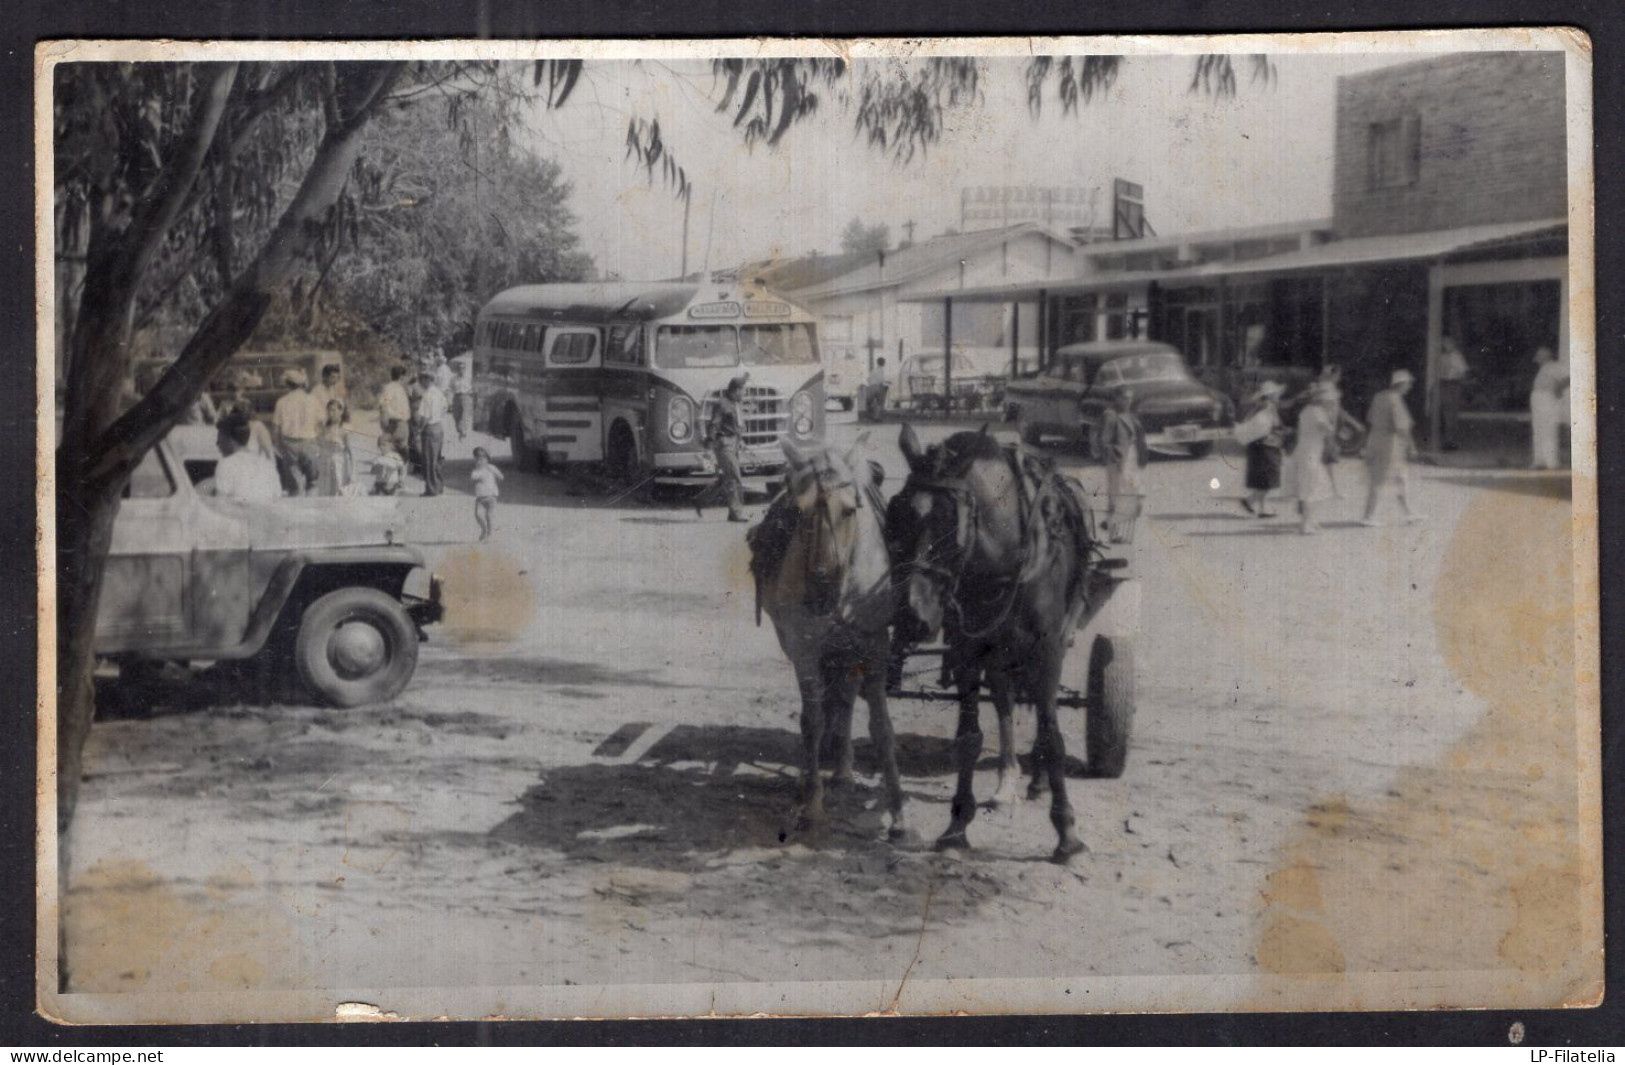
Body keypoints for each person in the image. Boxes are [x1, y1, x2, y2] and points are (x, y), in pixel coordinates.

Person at [1361, 369, 1423, 526]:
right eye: (1408, 383)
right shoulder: (1395, 399)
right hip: (1390, 444)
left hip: (1375, 439)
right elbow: (1402, 427)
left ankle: (1408, 513)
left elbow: (1371, 418)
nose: (1409, 386)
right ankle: (1368, 516)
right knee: (1380, 479)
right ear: (1401, 384)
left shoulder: (1379, 396)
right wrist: (1412, 446)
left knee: (1401, 478)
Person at [695, 373, 750, 522]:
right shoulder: (722, 404)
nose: (745, 393)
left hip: (734, 443)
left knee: (725, 479)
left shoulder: (736, 403)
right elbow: (714, 424)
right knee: (734, 478)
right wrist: (708, 445)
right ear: (736, 390)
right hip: (724, 444)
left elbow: (735, 425)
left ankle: (700, 500)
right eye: (743, 390)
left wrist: (741, 440)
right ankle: (736, 513)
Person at [1098, 386, 1148, 543]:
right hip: (1118, 461)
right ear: (1116, 398)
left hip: (1131, 457)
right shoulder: (1110, 416)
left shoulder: (1129, 415)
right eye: (1125, 398)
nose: (1128, 401)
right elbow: (1104, 441)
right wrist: (1115, 456)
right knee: (1117, 495)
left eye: (1130, 398)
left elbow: (1137, 436)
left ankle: (1110, 522)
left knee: (1137, 493)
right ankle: (1114, 532)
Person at [1289, 382, 1339, 535]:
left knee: (1311, 487)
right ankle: (1305, 525)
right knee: (1311, 488)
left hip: (1304, 451)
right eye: (1327, 400)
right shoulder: (1319, 412)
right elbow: (1330, 432)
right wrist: (1333, 415)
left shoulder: (1306, 411)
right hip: (1311, 454)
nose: (1329, 402)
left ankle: (1310, 520)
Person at [1236, 380, 1286, 517]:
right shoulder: (1268, 408)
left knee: (1264, 481)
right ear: (1270, 395)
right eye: (1276, 394)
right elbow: (1269, 427)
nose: (1278, 396)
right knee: (1267, 481)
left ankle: (1262, 509)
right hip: (1265, 448)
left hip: (1261, 447)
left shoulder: (1260, 407)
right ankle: (1249, 502)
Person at [209, 412, 282, 503]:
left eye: (220, 438)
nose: (218, 443)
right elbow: (277, 499)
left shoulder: (226, 464)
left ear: (230, 440)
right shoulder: (268, 465)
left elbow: (219, 504)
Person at [272, 368, 322, 495]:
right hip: (310, 442)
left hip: (290, 445)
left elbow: (276, 429)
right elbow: (321, 423)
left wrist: (279, 448)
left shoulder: (281, 402)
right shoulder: (313, 400)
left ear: (287, 384)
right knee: (312, 483)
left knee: (294, 486)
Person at [1529, 343, 1570, 470]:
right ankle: (1539, 461)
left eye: (1540, 354)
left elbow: (1569, 377)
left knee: (1548, 430)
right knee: (1538, 430)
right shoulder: (1543, 368)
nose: (1537, 356)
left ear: (1547, 355)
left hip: (1547, 399)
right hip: (1538, 399)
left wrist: (1558, 388)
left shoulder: (1555, 366)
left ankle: (1552, 462)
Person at [416, 369, 450, 496]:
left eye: (421, 380)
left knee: (429, 460)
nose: (420, 383)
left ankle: (431, 488)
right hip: (439, 427)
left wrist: (420, 429)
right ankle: (439, 485)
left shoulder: (427, 395)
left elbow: (425, 416)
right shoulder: (439, 393)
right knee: (436, 459)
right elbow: (445, 407)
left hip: (429, 428)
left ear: (427, 380)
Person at [314, 399, 354, 496]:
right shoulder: (325, 428)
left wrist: (351, 471)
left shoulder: (345, 427)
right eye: (329, 410)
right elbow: (319, 445)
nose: (331, 413)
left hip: (339, 463)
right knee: (326, 489)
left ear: (341, 411)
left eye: (334, 410)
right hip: (326, 461)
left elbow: (350, 450)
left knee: (339, 488)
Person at [1436, 336, 1470, 451]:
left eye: (1447, 343)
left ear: (1453, 344)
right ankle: (1447, 441)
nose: (1445, 346)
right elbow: (1439, 371)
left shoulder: (1457, 356)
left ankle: (1452, 442)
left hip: (1453, 385)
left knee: (1452, 414)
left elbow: (1464, 372)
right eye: (1443, 344)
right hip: (1444, 384)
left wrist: (1456, 376)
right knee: (1445, 413)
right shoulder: (1442, 356)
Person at [471, 446, 505, 541]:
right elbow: (473, 477)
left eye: (482, 458)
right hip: (480, 498)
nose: (479, 461)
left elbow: (501, 477)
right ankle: (484, 528)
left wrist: (497, 475)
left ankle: (489, 534)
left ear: (487, 459)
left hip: (491, 496)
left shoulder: (491, 468)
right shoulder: (476, 470)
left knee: (489, 516)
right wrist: (480, 471)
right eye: (477, 459)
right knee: (478, 514)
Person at [378, 364, 413, 456]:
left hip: (401, 424)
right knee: (394, 453)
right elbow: (383, 406)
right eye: (405, 377)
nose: (406, 379)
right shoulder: (390, 388)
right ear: (401, 377)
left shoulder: (399, 388)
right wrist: (385, 425)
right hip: (395, 424)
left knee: (399, 454)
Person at [451, 351, 475, 440]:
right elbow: (450, 387)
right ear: (457, 369)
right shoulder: (453, 378)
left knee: (465, 415)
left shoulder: (469, 377)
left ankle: (463, 432)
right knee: (456, 415)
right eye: (460, 368)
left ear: (465, 369)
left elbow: (474, 387)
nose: (461, 370)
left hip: (466, 396)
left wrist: (471, 393)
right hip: (456, 396)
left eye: (463, 368)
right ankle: (460, 430)